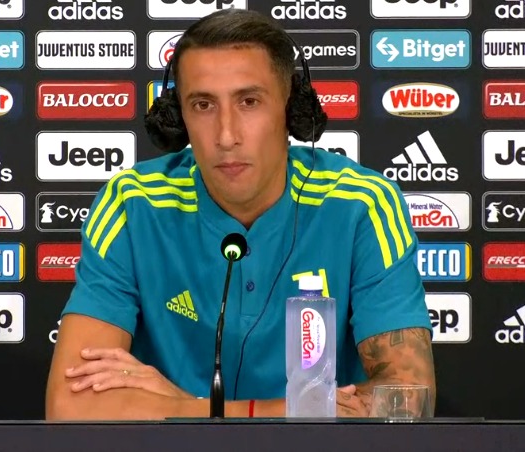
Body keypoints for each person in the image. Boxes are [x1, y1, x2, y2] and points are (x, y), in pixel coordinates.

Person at [45, 8, 436, 420]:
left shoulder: (363, 203)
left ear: (292, 109)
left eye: (249, 102)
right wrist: (277, 412)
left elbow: (409, 401)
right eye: (203, 105)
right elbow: (69, 406)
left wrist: (182, 408)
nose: (226, 135)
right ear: (177, 117)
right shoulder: (130, 203)